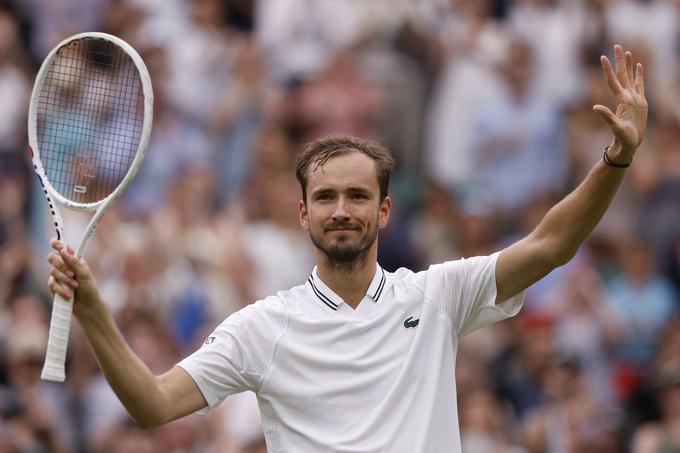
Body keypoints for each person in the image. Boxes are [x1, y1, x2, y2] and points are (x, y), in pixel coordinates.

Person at [46, 45, 647, 452]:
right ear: (302, 212)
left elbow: (551, 244)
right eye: (326, 197)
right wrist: (96, 313)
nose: (341, 210)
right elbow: (153, 404)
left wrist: (615, 160)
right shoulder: (262, 328)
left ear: (384, 210)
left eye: (358, 196)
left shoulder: (436, 294)